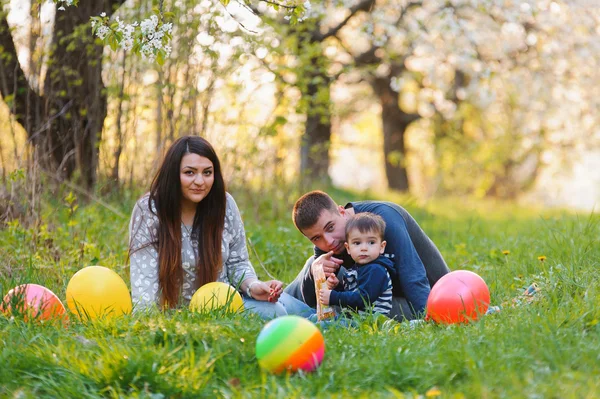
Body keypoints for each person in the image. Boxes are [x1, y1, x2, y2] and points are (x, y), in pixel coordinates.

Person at [128, 135, 311, 319]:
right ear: (173, 173)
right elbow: (144, 281)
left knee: (302, 312)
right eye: (189, 172)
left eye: (207, 173)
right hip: (181, 314)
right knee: (277, 313)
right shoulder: (149, 210)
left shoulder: (224, 204)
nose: (200, 181)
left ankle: (328, 315)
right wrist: (148, 322)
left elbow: (238, 263)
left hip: (227, 302)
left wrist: (253, 286)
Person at [284, 190, 450, 320]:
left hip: (429, 298)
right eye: (316, 238)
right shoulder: (328, 241)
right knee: (314, 264)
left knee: (346, 306)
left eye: (330, 228)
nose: (328, 242)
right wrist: (316, 273)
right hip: (375, 291)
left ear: (342, 212)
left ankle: (285, 310)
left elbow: (413, 276)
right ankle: (276, 304)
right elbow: (317, 298)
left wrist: (429, 320)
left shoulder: (383, 220)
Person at [319, 212, 394, 318]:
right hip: (356, 319)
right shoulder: (355, 269)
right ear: (348, 248)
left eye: (371, 242)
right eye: (357, 243)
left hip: (369, 322)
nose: (364, 248)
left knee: (323, 325)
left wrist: (334, 297)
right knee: (316, 318)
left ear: (382, 247)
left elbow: (363, 298)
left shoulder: (377, 270)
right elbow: (351, 295)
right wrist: (337, 288)